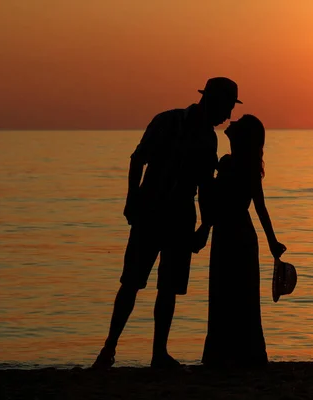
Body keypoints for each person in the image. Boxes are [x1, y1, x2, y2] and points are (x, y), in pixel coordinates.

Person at [92, 77, 242, 369]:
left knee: (169, 288)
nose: (228, 116)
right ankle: (109, 348)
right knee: (131, 282)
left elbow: (204, 187)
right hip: (150, 211)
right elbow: (138, 160)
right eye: (226, 108)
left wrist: (204, 228)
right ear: (211, 100)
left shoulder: (208, 138)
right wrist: (132, 199)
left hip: (181, 216)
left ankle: (158, 353)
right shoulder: (167, 121)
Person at [193, 114, 286, 367]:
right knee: (239, 296)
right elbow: (259, 208)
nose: (231, 122)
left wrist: (203, 227)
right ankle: (247, 354)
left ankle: (223, 355)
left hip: (229, 233)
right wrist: (272, 242)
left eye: (239, 122)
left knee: (227, 294)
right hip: (238, 233)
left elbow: (241, 204)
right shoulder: (243, 166)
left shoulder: (231, 164)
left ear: (243, 135)